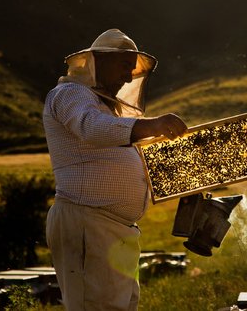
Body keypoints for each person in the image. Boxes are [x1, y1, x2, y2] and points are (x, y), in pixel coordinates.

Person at [43, 29, 187, 311]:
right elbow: (90, 127)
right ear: (98, 61)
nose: (127, 76)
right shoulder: (69, 94)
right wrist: (153, 125)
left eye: (132, 69)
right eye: (123, 66)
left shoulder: (108, 110)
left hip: (118, 232)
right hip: (87, 223)